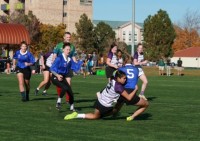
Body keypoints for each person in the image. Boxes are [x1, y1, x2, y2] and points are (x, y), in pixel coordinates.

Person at [64, 70, 138, 120]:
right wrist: (135, 89)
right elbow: (128, 98)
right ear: (118, 78)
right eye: (124, 78)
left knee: (96, 115)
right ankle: (77, 115)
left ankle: (76, 115)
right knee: (97, 116)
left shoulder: (112, 81)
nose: (125, 80)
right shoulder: (118, 87)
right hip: (105, 105)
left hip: (100, 101)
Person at [114, 55, 149, 121]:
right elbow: (145, 81)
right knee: (146, 104)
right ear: (132, 61)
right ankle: (132, 117)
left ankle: (112, 115)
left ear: (124, 61)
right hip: (131, 93)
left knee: (118, 105)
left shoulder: (120, 69)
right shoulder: (138, 69)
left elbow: (114, 77)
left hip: (122, 92)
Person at [52, 32, 77, 102]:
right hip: (60, 67)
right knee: (60, 83)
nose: (69, 38)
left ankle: (68, 99)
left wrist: (76, 64)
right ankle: (60, 96)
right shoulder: (59, 45)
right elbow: (55, 54)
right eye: (67, 37)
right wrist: (54, 62)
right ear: (64, 37)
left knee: (68, 82)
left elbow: (73, 56)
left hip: (68, 66)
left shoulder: (72, 46)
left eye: (69, 37)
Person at [50, 43, 75, 111]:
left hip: (62, 77)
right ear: (63, 50)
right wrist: (57, 75)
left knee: (70, 91)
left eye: (69, 49)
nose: (68, 51)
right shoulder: (59, 58)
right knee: (64, 87)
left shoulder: (69, 59)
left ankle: (72, 107)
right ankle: (58, 102)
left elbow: (68, 69)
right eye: (67, 49)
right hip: (55, 76)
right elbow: (51, 69)